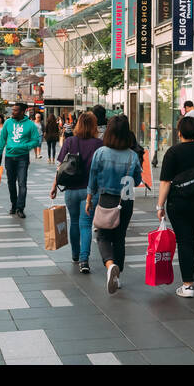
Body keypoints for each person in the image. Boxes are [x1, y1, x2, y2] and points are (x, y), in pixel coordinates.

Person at [156, 114, 194, 298]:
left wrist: (160, 206)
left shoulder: (173, 152)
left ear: (179, 132)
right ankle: (189, 280)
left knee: (184, 241)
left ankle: (188, 285)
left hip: (178, 203)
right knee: (190, 239)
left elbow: (166, 182)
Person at [85, 115, 143, 294]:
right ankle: (117, 277)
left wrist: (89, 199)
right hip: (125, 201)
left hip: (106, 198)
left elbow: (92, 178)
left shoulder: (101, 153)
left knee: (103, 236)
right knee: (119, 238)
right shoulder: (133, 156)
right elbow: (138, 180)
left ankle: (110, 265)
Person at [50, 110, 102, 274]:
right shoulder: (98, 144)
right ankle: (84, 260)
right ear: (94, 126)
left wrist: (54, 186)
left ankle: (75, 254)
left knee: (73, 221)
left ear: (78, 124)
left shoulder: (70, 141)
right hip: (90, 191)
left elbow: (60, 168)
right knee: (86, 225)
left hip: (71, 190)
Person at [0, 102, 42, 217]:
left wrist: (24, 146)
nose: (13, 112)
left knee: (22, 183)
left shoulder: (30, 125)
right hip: (9, 157)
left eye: (15, 110)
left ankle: (20, 208)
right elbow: (2, 139)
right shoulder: (8, 122)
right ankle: (13, 204)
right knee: (11, 182)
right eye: (12, 110)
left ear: (22, 112)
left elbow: (36, 141)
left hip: (22, 157)